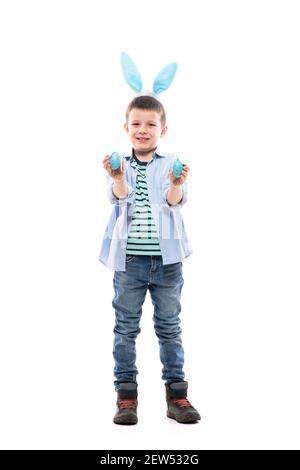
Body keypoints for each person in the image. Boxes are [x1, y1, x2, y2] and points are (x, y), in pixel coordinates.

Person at [99, 94, 201, 425]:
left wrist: (175, 184)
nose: (143, 130)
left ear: (163, 129)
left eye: (151, 124)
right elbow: (118, 198)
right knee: (125, 328)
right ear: (126, 127)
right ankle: (126, 396)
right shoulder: (119, 164)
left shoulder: (172, 163)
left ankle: (177, 396)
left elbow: (175, 203)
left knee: (169, 327)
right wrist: (116, 177)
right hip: (129, 262)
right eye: (137, 124)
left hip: (167, 262)